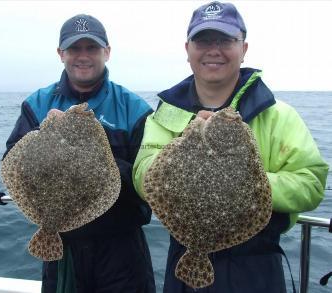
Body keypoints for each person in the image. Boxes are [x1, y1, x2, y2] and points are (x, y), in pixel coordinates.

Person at [133, 1, 329, 292]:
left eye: (225, 40)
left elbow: (311, 183)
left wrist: (243, 184)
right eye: (203, 40)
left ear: (244, 48)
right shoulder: (166, 113)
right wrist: (186, 150)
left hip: (257, 266)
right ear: (187, 49)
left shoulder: (278, 114)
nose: (214, 49)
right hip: (184, 259)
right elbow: (141, 175)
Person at [3, 14, 156, 293]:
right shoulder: (38, 104)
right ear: (61, 54)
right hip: (64, 250)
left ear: (107, 52)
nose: (82, 56)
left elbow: (146, 179)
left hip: (122, 249)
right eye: (74, 48)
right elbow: (12, 162)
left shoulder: (134, 108)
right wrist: (42, 139)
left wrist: (97, 163)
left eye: (92, 48)